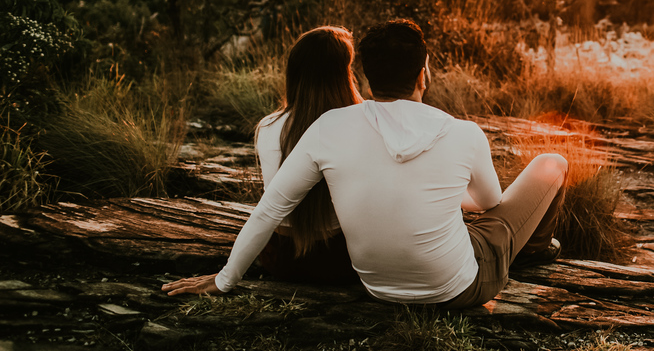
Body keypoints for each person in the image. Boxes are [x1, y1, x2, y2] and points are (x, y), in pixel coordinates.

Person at [164, 19, 567, 307]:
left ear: (367, 76)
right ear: (423, 75)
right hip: (460, 289)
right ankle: (532, 251)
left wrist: (224, 280)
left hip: (378, 289)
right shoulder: (463, 131)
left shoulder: (329, 126)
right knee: (552, 163)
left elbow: (271, 208)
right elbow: (488, 204)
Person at [254, 25, 362, 284]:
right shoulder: (361, 124)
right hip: (342, 260)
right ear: (343, 74)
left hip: (281, 260)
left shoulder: (267, 126)